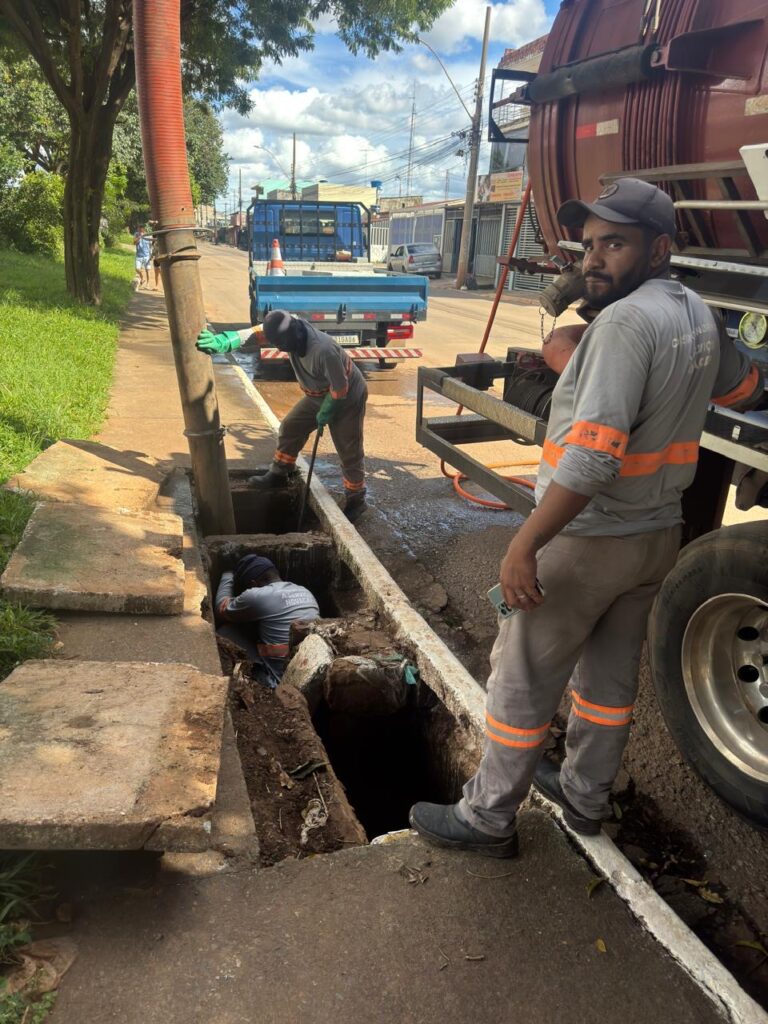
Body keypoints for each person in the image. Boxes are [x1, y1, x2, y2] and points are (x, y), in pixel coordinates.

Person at [409, 178, 764, 858]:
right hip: (656, 538)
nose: (595, 259)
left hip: (588, 541)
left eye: (616, 244)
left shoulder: (625, 326)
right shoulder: (692, 311)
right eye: (591, 244)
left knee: (521, 681)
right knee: (605, 682)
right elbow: (742, 386)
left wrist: (525, 544)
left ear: (660, 248)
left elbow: (593, 459)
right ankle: (585, 795)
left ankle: (487, 818)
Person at [196, 309, 369, 522]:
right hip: (318, 394)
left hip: (347, 395)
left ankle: (356, 498)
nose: (278, 348)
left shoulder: (324, 350)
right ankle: (279, 473)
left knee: (348, 448)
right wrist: (223, 341)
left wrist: (327, 411)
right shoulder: (286, 328)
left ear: (293, 337)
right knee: (290, 428)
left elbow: (340, 389)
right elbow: (252, 334)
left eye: (280, 346)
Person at [215, 554, 320, 687]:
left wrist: (227, 572)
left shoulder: (255, 595)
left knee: (225, 631)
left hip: (281, 680)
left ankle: (261, 680)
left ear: (253, 584)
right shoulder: (304, 591)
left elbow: (220, 608)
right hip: (311, 665)